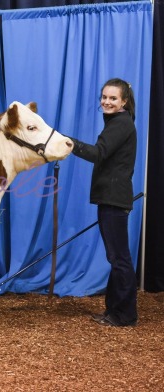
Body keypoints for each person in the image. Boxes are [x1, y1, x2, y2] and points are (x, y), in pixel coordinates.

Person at [69, 78, 138, 327]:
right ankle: (115, 311)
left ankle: (125, 315)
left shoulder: (120, 123)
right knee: (116, 257)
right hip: (111, 198)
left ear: (124, 102)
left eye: (113, 98)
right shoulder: (118, 123)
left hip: (113, 199)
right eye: (104, 97)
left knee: (119, 258)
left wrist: (70, 143)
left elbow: (98, 153)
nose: (107, 102)